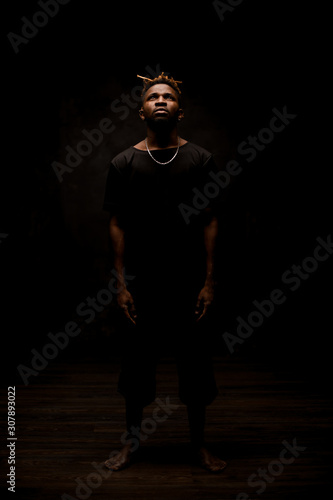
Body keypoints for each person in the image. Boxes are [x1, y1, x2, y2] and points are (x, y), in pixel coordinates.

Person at [103, 72, 226, 472]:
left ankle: (198, 446)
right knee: (136, 369)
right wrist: (120, 285)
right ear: (141, 111)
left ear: (180, 111)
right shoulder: (123, 163)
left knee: (195, 367)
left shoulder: (201, 160)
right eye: (153, 97)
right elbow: (117, 223)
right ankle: (131, 445)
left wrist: (208, 281)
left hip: (187, 281)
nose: (160, 101)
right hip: (142, 283)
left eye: (168, 97)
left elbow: (209, 219)